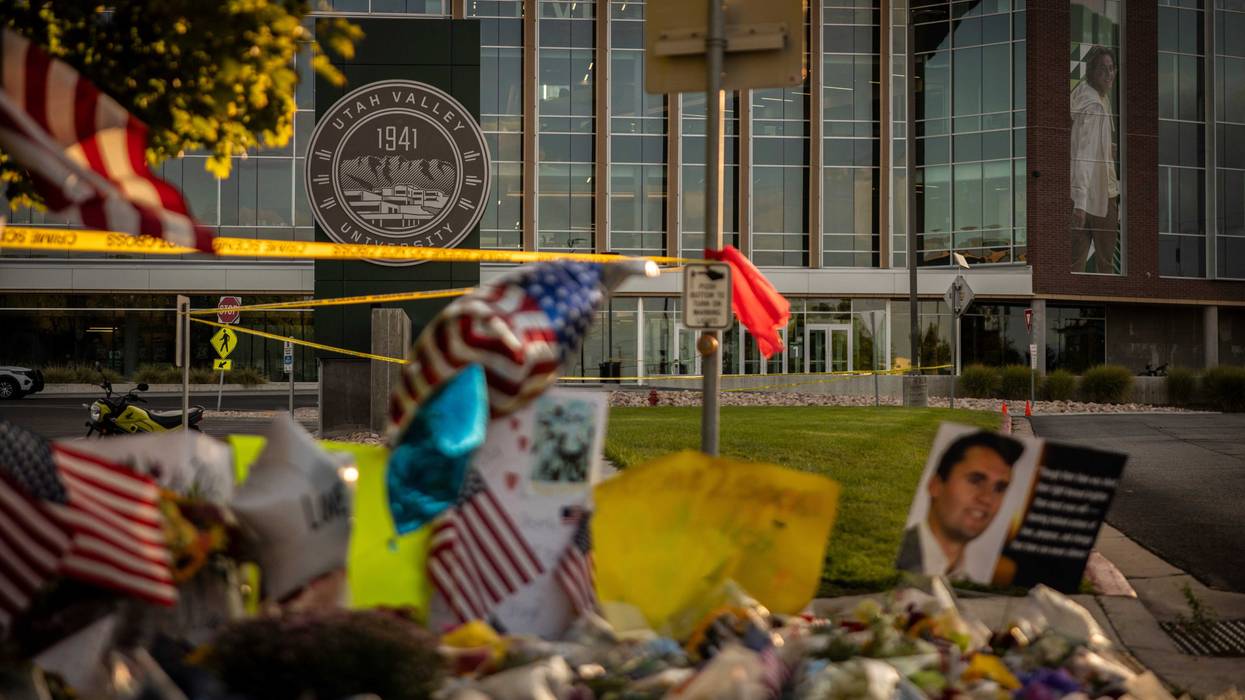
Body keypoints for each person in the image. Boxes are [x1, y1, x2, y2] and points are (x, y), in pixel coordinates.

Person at [896, 431, 1025, 578]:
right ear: (935, 485)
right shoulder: (890, 554)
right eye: (975, 480)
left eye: (999, 488)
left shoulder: (970, 584)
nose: (987, 498)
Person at [1070, 46, 1119, 273]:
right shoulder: (1095, 107)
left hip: (1087, 195)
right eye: (1102, 69)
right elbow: (1084, 155)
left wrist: (1108, 150)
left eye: (1112, 69)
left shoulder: (1093, 96)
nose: (1109, 74)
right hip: (1100, 197)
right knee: (1106, 268)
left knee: (1075, 265)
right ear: (1091, 72)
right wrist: (1080, 203)